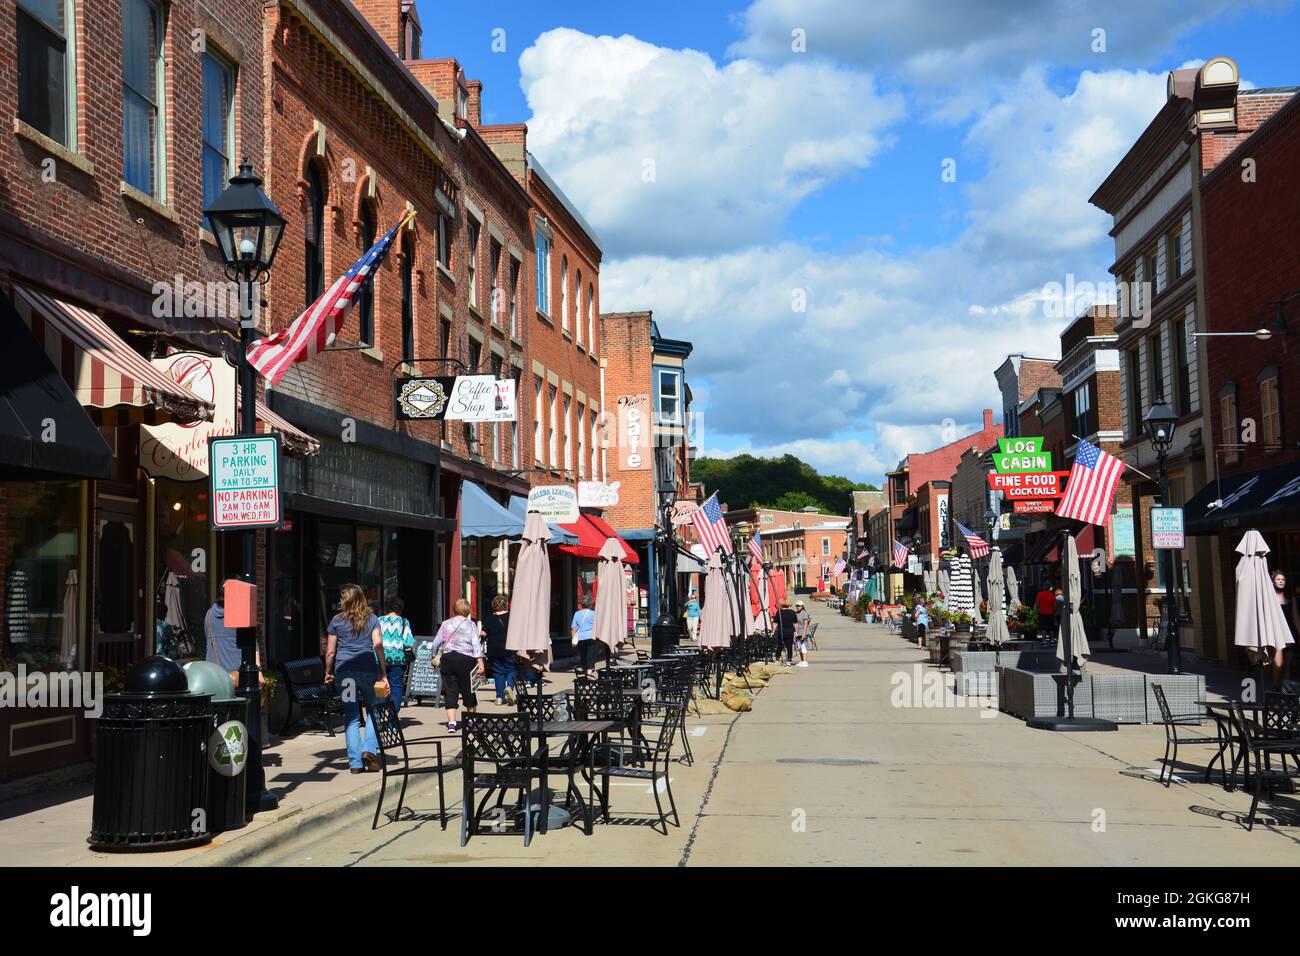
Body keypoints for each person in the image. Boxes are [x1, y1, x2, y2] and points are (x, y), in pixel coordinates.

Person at [324, 584, 387, 774]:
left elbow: (330, 651)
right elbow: (378, 645)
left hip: (345, 673)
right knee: (374, 711)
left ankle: (355, 764)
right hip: (369, 672)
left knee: (351, 717)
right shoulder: (372, 619)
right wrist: (383, 672)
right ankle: (369, 749)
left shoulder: (336, 620)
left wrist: (328, 671)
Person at [430, 598, 485, 732]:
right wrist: (480, 661)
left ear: (454, 610)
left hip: (448, 659)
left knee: (450, 690)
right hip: (466, 660)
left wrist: (433, 655)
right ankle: (471, 721)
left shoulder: (445, 623)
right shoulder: (471, 625)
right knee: (469, 689)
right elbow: (475, 644)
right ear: (467, 611)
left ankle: (452, 723)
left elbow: (435, 643)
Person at [205, 597, 263, 686]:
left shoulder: (208, 615)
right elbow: (252, 649)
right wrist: (259, 675)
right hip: (237, 680)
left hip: (213, 678)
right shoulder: (239, 615)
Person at [377, 596, 415, 710]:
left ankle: (380, 714)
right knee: (396, 687)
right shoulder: (404, 622)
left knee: (381, 686)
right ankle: (393, 718)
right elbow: (408, 642)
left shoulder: (378, 621)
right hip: (398, 660)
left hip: (380, 658)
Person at [482, 594, 514, 706]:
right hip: (509, 648)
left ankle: (499, 697)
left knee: (498, 673)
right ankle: (509, 687)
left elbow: (483, 633)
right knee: (511, 670)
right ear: (506, 604)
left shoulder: (490, 618)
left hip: (493, 649)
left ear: (494, 605)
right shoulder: (511, 617)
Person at [571, 595, 598, 678]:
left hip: (581, 638)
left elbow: (573, 629)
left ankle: (586, 672)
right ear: (591, 604)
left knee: (583, 656)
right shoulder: (594, 614)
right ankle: (589, 673)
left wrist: (574, 640)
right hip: (592, 637)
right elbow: (598, 627)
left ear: (581, 604)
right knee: (591, 656)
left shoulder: (577, 614)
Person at [776, 599, 798, 666]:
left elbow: (775, 623)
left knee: (780, 646)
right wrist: (796, 631)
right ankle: (789, 661)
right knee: (789, 647)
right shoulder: (792, 612)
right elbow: (795, 623)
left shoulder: (779, 612)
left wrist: (773, 631)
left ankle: (777, 659)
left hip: (781, 632)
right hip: (790, 632)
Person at [794, 600, 812, 667]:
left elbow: (805, 624)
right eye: (797, 605)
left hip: (802, 632)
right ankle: (801, 661)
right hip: (797, 632)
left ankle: (805, 661)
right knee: (799, 647)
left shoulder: (804, 613)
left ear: (802, 606)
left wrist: (804, 634)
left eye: (799, 606)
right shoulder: (795, 613)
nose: (798, 607)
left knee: (803, 646)